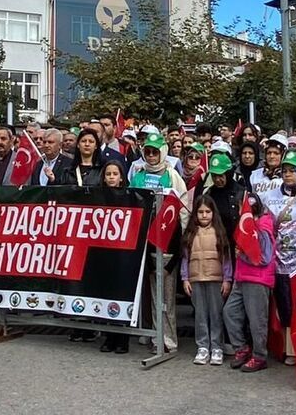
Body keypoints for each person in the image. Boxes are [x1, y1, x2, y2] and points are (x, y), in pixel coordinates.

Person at [130, 132, 189, 353]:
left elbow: (183, 210)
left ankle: (169, 339)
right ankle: (153, 336)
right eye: (148, 152)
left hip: (167, 242)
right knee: (149, 295)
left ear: (163, 152)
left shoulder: (173, 176)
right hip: (144, 243)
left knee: (166, 296)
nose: (152, 156)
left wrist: (180, 242)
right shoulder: (137, 175)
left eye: (155, 152)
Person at [265, 150, 296, 367]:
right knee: (283, 304)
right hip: (279, 261)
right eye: (284, 171)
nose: (287, 174)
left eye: (292, 170)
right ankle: (285, 347)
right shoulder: (271, 196)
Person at [225, 191, 275, 373]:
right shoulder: (245, 224)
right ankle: (242, 348)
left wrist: (243, 256)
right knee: (229, 312)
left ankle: (260, 356)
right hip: (242, 277)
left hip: (257, 279)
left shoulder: (262, 226)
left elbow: (265, 257)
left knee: (257, 321)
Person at [181, 195, 234, 366]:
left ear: (213, 213)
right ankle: (203, 347)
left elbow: (226, 258)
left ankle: (217, 347)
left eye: (207, 212)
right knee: (200, 315)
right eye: (200, 212)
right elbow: (185, 258)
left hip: (216, 278)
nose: (204, 215)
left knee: (216, 314)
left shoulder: (219, 232)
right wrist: (185, 278)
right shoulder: (190, 233)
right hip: (196, 279)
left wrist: (227, 279)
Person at [98, 160, 131, 354]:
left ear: (121, 177)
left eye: (115, 174)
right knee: (105, 294)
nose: (111, 177)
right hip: (103, 253)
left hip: (123, 254)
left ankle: (122, 338)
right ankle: (109, 336)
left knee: (122, 294)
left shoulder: (129, 197)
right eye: (108, 174)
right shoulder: (98, 197)